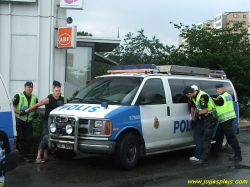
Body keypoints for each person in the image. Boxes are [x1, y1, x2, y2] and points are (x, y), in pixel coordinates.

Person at [25, 80, 66, 164]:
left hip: (57, 123)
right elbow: (36, 105)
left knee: (50, 139)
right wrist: (26, 111)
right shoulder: (48, 99)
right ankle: (38, 157)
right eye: (56, 91)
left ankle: (46, 155)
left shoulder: (63, 99)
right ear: (53, 90)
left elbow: (67, 107)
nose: (58, 92)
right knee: (45, 137)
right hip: (47, 121)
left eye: (59, 91)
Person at [183, 86, 217, 166]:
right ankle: (202, 158)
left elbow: (204, 110)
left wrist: (197, 115)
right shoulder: (195, 97)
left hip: (210, 119)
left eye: (187, 96)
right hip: (205, 118)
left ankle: (204, 159)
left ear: (189, 93)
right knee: (203, 138)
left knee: (206, 139)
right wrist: (195, 118)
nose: (188, 98)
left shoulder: (202, 96)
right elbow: (196, 109)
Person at [211, 84, 242, 161]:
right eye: (217, 89)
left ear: (222, 88)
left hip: (226, 119)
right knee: (219, 135)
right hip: (225, 119)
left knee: (230, 137)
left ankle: (238, 154)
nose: (217, 91)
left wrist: (211, 98)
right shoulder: (227, 95)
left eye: (218, 89)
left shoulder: (221, 97)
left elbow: (217, 102)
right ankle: (216, 151)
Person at [13, 81, 39, 163]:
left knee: (27, 140)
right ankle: (15, 156)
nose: (30, 89)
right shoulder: (18, 96)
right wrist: (20, 112)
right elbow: (13, 106)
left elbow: (37, 107)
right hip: (19, 121)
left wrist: (37, 114)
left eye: (32, 87)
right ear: (25, 87)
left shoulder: (34, 97)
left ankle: (24, 156)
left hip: (28, 122)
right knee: (17, 138)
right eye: (29, 87)